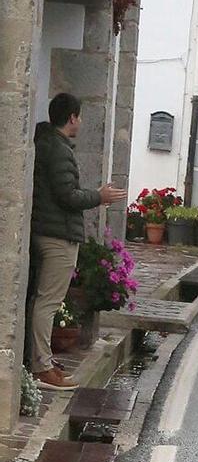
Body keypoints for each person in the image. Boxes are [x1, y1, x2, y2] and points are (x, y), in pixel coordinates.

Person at [27, 92, 125, 391]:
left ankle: (40, 360)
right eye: (79, 116)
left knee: (42, 300)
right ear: (72, 117)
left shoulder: (49, 144)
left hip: (49, 230)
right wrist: (99, 196)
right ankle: (42, 368)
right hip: (57, 235)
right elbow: (67, 196)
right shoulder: (58, 150)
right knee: (48, 301)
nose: (80, 122)